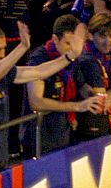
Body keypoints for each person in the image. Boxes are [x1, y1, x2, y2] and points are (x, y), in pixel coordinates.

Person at [0, 21, 88, 175]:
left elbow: (39, 71)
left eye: (3, 49)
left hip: (2, 161)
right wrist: (21, 47)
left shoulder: (4, 71)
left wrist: (70, 56)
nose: (2, 54)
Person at [21, 15, 105, 156]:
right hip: (40, 138)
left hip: (63, 133)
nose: (72, 49)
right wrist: (76, 106)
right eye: (67, 43)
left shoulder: (73, 57)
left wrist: (93, 97)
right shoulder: (39, 59)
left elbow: (80, 85)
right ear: (55, 39)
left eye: (75, 44)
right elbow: (36, 102)